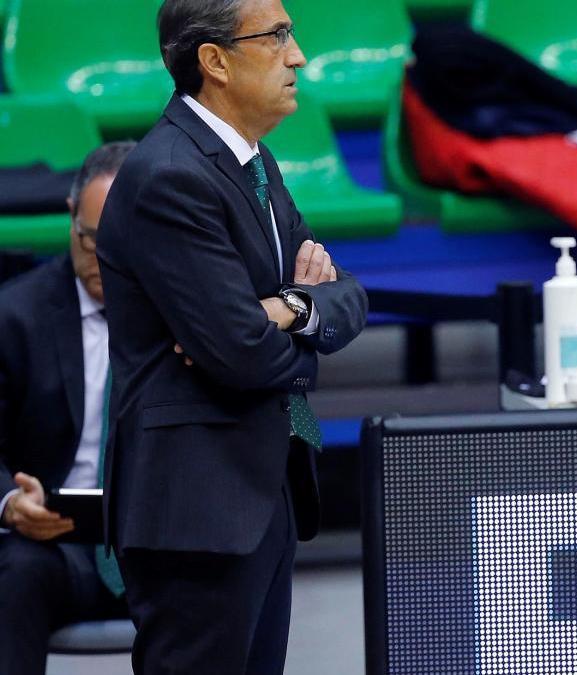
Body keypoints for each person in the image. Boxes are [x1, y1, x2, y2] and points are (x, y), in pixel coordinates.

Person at [95, 0, 367, 672]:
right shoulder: (170, 176)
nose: (298, 55)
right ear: (213, 62)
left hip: (262, 486)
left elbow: (350, 297)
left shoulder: (253, 161)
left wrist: (282, 309)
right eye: (276, 36)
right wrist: (293, 318)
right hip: (197, 511)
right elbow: (241, 353)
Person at [0, 141, 135, 675]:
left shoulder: (186, 313)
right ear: (70, 218)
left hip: (155, 538)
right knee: (14, 574)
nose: (101, 258)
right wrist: (10, 500)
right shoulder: (14, 317)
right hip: (54, 541)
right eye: (88, 240)